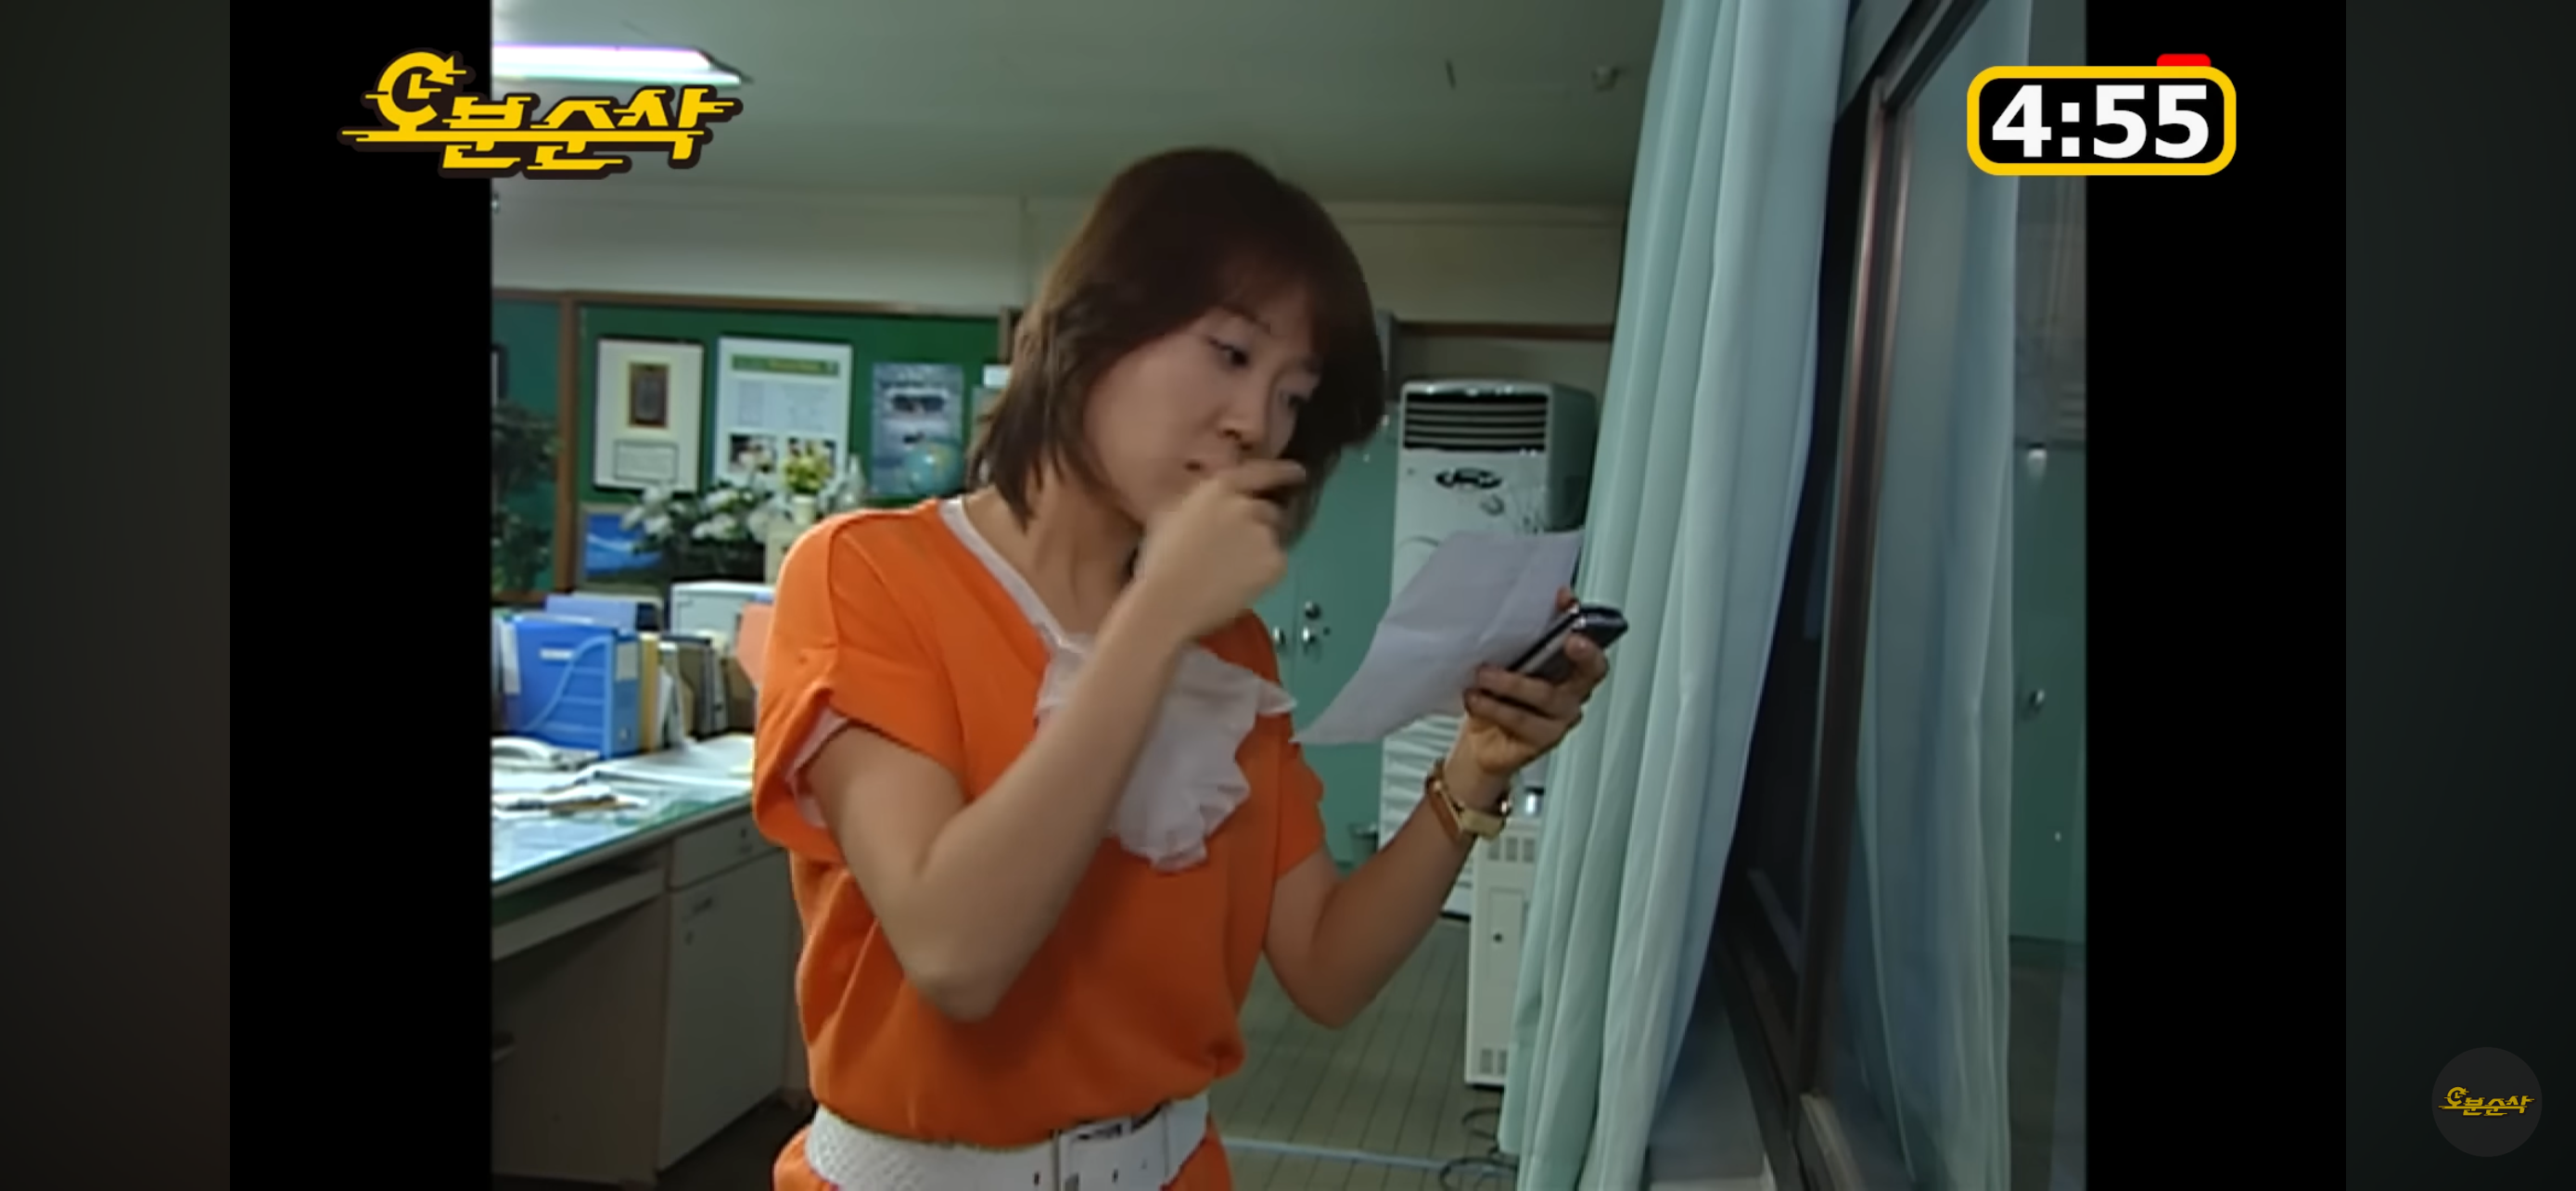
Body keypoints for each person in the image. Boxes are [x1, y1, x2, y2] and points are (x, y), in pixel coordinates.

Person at [750, 147, 1610, 1191]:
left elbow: (1327, 966)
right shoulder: (868, 574)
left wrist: (1477, 766)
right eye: (1230, 353)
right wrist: (1155, 618)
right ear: (1089, 324)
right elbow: (955, 954)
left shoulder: (1231, 650)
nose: (1256, 423)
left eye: (1293, 395)